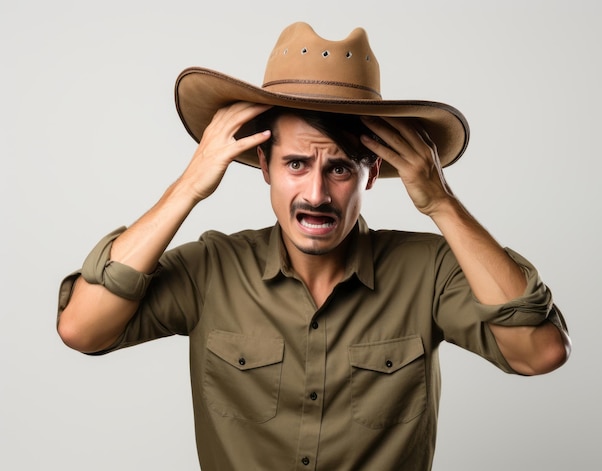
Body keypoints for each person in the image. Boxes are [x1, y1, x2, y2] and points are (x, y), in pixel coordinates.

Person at [57, 22, 570, 470]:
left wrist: (441, 201)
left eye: (342, 168)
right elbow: (83, 328)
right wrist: (189, 186)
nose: (317, 194)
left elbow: (540, 352)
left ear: (373, 175)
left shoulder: (429, 273)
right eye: (297, 164)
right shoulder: (211, 268)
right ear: (265, 166)